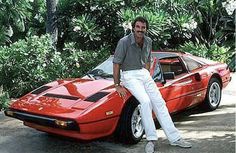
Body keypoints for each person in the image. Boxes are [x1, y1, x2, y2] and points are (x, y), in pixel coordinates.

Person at [113, 16, 192, 153]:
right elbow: (116, 63)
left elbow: (148, 59)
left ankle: (175, 138)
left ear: (146, 29)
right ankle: (151, 140)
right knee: (145, 101)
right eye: (138, 27)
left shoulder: (148, 41)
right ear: (133, 28)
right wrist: (117, 84)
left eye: (143, 28)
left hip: (143, 73)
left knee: (159, 103)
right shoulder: (124, 42)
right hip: (129, 75)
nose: (140, 30)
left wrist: (147, 74)